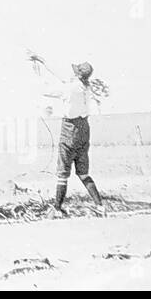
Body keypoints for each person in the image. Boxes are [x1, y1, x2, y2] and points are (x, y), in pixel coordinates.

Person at [31, 54, 106, 217]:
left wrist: (37, 74)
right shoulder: (85, 87)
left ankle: (57, 208)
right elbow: (64, 78)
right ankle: (100, 206)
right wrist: (44, 61)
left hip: (70, 130)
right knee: (83, 173)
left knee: (62, 173)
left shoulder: (69, 88)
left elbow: (45, 91)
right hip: (84, 129)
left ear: (78, 74)